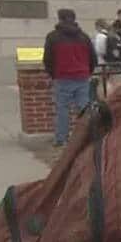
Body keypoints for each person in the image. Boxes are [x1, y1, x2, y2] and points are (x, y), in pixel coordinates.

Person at [42, 8, 97, 147]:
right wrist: (87, 71)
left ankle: (62, 139)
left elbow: (48, 59)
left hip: (62, 77)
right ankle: (88, 137)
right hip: (82, 76)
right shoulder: (84, 37)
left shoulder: (52, 37)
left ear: (59, 18)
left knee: (63, 109)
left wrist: (53, 74)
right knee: (84, 108)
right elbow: (93, 58)